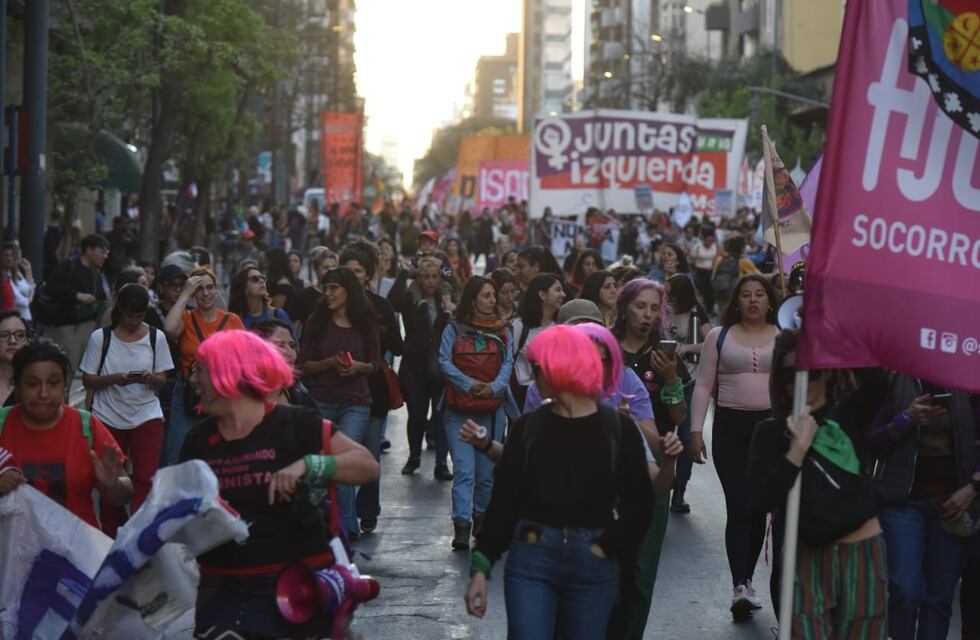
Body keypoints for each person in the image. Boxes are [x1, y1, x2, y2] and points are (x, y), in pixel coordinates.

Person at [178, 330, 378, 639]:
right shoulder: (197, 440)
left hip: (295, 592)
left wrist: (311, 464)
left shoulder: (296, 423)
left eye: (201, 369)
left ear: (229, 372)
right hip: (222, 595)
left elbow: (367, 465)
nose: (194, 379)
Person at [464, 325, 654, 639]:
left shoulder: (618, 429)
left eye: (537, 368)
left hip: (593, 564)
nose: (532, 376)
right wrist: (481, 568)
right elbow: (504, 503)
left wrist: (606, 546)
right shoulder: (528, 428)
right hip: (532, 558)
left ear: (559, 367)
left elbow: (641, 504)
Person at [750, 330, 887, 636]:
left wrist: (833, 330)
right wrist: (795, 451)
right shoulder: (770, 432)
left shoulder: (850, 412)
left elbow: (876, 377)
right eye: (791, 374)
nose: (801, 380)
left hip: (860, 552)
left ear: (825, 371)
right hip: (805, 557)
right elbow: (762, 498)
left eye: (810, 370)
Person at [690, 274, 780, 617]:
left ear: (769, 301)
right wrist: (695, 431)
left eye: (759, 294)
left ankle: (748, 577)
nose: (753, 300)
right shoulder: (719, 336)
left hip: (770, 432)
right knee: (739, 506)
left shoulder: (785, 336)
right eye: (746, 294)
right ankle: (739, 585)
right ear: (737, 301)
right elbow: (703, 385)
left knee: (759, 509)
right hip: (730, 430)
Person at [867, 373, 979, 639]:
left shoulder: (968, 378)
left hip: (953, 504)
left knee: (939, 598)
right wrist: (906, 419)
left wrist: (972, 487)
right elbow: (871, 439)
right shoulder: (895, 378)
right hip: (903, 503)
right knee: (905, 589)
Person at [0, 341, 132, 529]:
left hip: (79, 544)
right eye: (32, 384)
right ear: (18, 387)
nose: (43, 393)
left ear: (65, 386)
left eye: (53, 383)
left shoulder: (87, 426)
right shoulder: (3, 424)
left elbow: (124, 494)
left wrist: (112, 485)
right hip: (12, 545)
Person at [80, 284, 174, 536]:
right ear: (120, 310)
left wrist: (149, 378)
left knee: (146, 479)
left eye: (139, 316)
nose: (134, 321)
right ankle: (112, 534)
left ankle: (140, 534)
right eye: (129, 315)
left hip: (147, 415)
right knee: (110, 480)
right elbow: (88, 379)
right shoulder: (101, 338)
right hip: (107, 417)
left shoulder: (155, 337)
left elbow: (163, 379)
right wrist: (114, 379)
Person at [298, 267, 380, 538]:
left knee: (343, 462)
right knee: (322, 468)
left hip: (356, 402)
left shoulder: (365, 321)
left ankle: (347, 529)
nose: (329, 293)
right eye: (326, 288)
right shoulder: (317, 321)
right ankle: (325, 526)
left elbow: (376, 364)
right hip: (321, 400)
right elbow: (304, 365)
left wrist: (358, 367)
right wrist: (329, 363)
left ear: (348, 291)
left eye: (334, 288)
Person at [439, 276, 514, 551]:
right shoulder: (453, 328)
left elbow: (508, 363)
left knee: (486, 474)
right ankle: (461, 526)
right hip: (458, 410)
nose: (492, 300)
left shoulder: (503, 329)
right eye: (486, 295)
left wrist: (493, 388)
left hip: (491, 411)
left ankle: (482, 519)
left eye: (493, 295)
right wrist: (469, 384)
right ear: (472, 300)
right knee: (464, 471)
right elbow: (443, 361)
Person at [339, 240, 405, 534]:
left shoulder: (380, 305)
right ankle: (345, 517)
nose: (352, 276)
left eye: (358, 271)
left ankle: (366, 510)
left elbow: (398, 346)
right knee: (341, 455)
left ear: (368, 274)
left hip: (373, 389)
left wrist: (379, 333)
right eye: (347, 270)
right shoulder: (332, 305)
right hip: (338, 388)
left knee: (370, 452)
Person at [162, 267, 245, 466]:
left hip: (222, 393)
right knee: (178, 453)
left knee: (220, 454)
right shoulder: (186, 317)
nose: (206, 293)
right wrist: (185, 294)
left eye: (210, 287)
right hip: (189, 393)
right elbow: (169, 330)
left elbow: (244, 358)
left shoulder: (232, 320)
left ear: (216, 289)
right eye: (199, 289)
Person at [389, 256, 453, 480]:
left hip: (441, 365)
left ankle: (441, 463)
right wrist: (403, 273)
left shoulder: (446, 297)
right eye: (425, 276)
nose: (430, 281)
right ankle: (414, 456)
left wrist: (450, 311)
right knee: (416, 415)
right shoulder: (410, 297)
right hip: (415, 365)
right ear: (418, 277)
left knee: (441, 415)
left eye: (434, 276)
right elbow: (393, 301)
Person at [664, 273, 713, 513]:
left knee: (686, 438)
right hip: (663, 381)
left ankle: (680, 490)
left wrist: (686, 348)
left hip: (690, 381)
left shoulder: (696, 312)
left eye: (671, 295)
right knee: (662, 435)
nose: (667, 298)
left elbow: (712, 342)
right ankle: (662, 485)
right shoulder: (661, 312)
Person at [43, 234, 111, 371]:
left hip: (87, 324)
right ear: (89, 250)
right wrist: (76, 296)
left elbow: (101, 298)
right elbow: (51, 288)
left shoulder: (96, 274)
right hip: (66, 324)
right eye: (101, 252)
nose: (104, 256)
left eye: (106, 253)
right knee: (66, 364)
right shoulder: (69, 266)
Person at [509, 274, 565, 409]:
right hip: (523, 393)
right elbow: (507, 360)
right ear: (542, 295)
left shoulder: (561, 326)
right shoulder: (519, 326)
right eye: (557, 290)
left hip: (555, 393)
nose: (563, 295)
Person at [250, 319, 317, 409]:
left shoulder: (302, 401)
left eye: (292, 346)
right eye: (280, 345)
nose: (291, 353)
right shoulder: (238, 400)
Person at [227, 266, 291, 330]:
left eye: (263, 278)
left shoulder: (277, 315)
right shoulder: (235, 319)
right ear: (244, 289)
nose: (261, 281)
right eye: (255, 279)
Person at [0, 312, 32, 406]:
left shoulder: (39, 380)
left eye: (20, 335)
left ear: (27, 341)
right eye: (4, 335)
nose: (12, 341)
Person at [2, 243, 35, 323]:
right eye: (6, 255)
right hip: (17, 319)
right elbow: (21, 301)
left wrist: (28, 270)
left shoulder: (18, 273)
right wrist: (30, 298)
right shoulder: (6, 275)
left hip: (27, 317)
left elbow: (30, 288)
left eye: (12, 255)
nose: (9, 258)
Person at [689, 225, 719, 314]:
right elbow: (691, 261)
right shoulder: (697, 247)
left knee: (711, 292)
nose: (709, 242)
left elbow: (717, 259)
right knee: (703, 292)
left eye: (711, 240)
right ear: (704, 239)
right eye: (707, 240)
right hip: (700, 272)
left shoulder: (715, 247)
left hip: (711, 272)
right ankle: (703, 309)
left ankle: (710, 309)